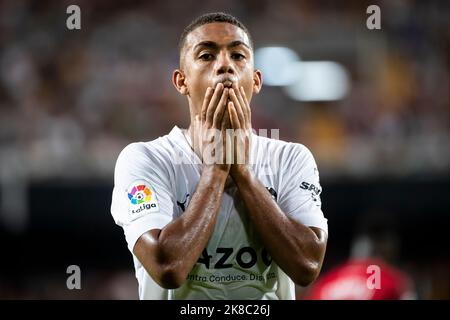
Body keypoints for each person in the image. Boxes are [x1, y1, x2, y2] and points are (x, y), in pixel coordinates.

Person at [110, 12, 328, 300]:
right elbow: (168, 268)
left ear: (256, 80)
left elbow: (307, 266)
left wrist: (243, 173)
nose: (225, 65)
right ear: (181, 81)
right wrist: (216, 168)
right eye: (206, 55)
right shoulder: (146, 159)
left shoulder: (290, 159)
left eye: (238, 56)